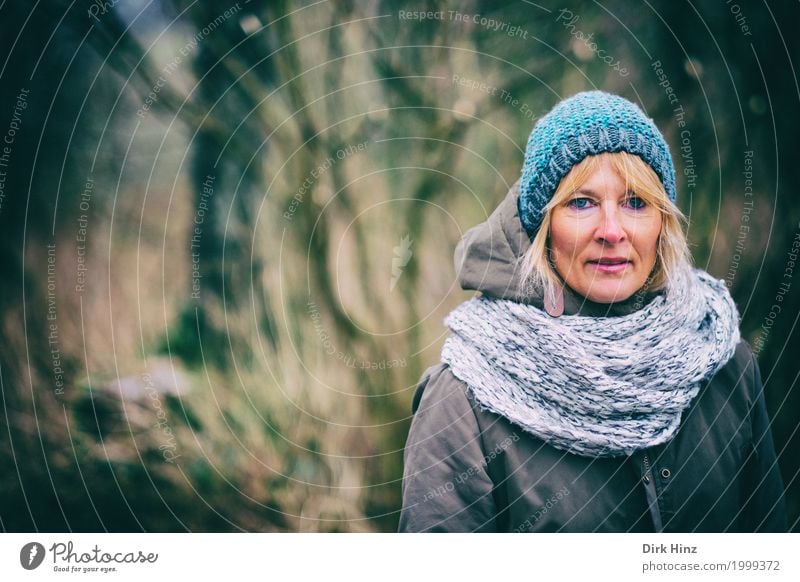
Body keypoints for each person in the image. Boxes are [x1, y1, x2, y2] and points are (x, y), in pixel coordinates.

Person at [398, 90, 787, 532]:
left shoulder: (724, 365)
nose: (612, 230)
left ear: (663, 223)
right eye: (581, 202)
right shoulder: (464, 397)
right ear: (543, 225)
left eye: (636, 202)